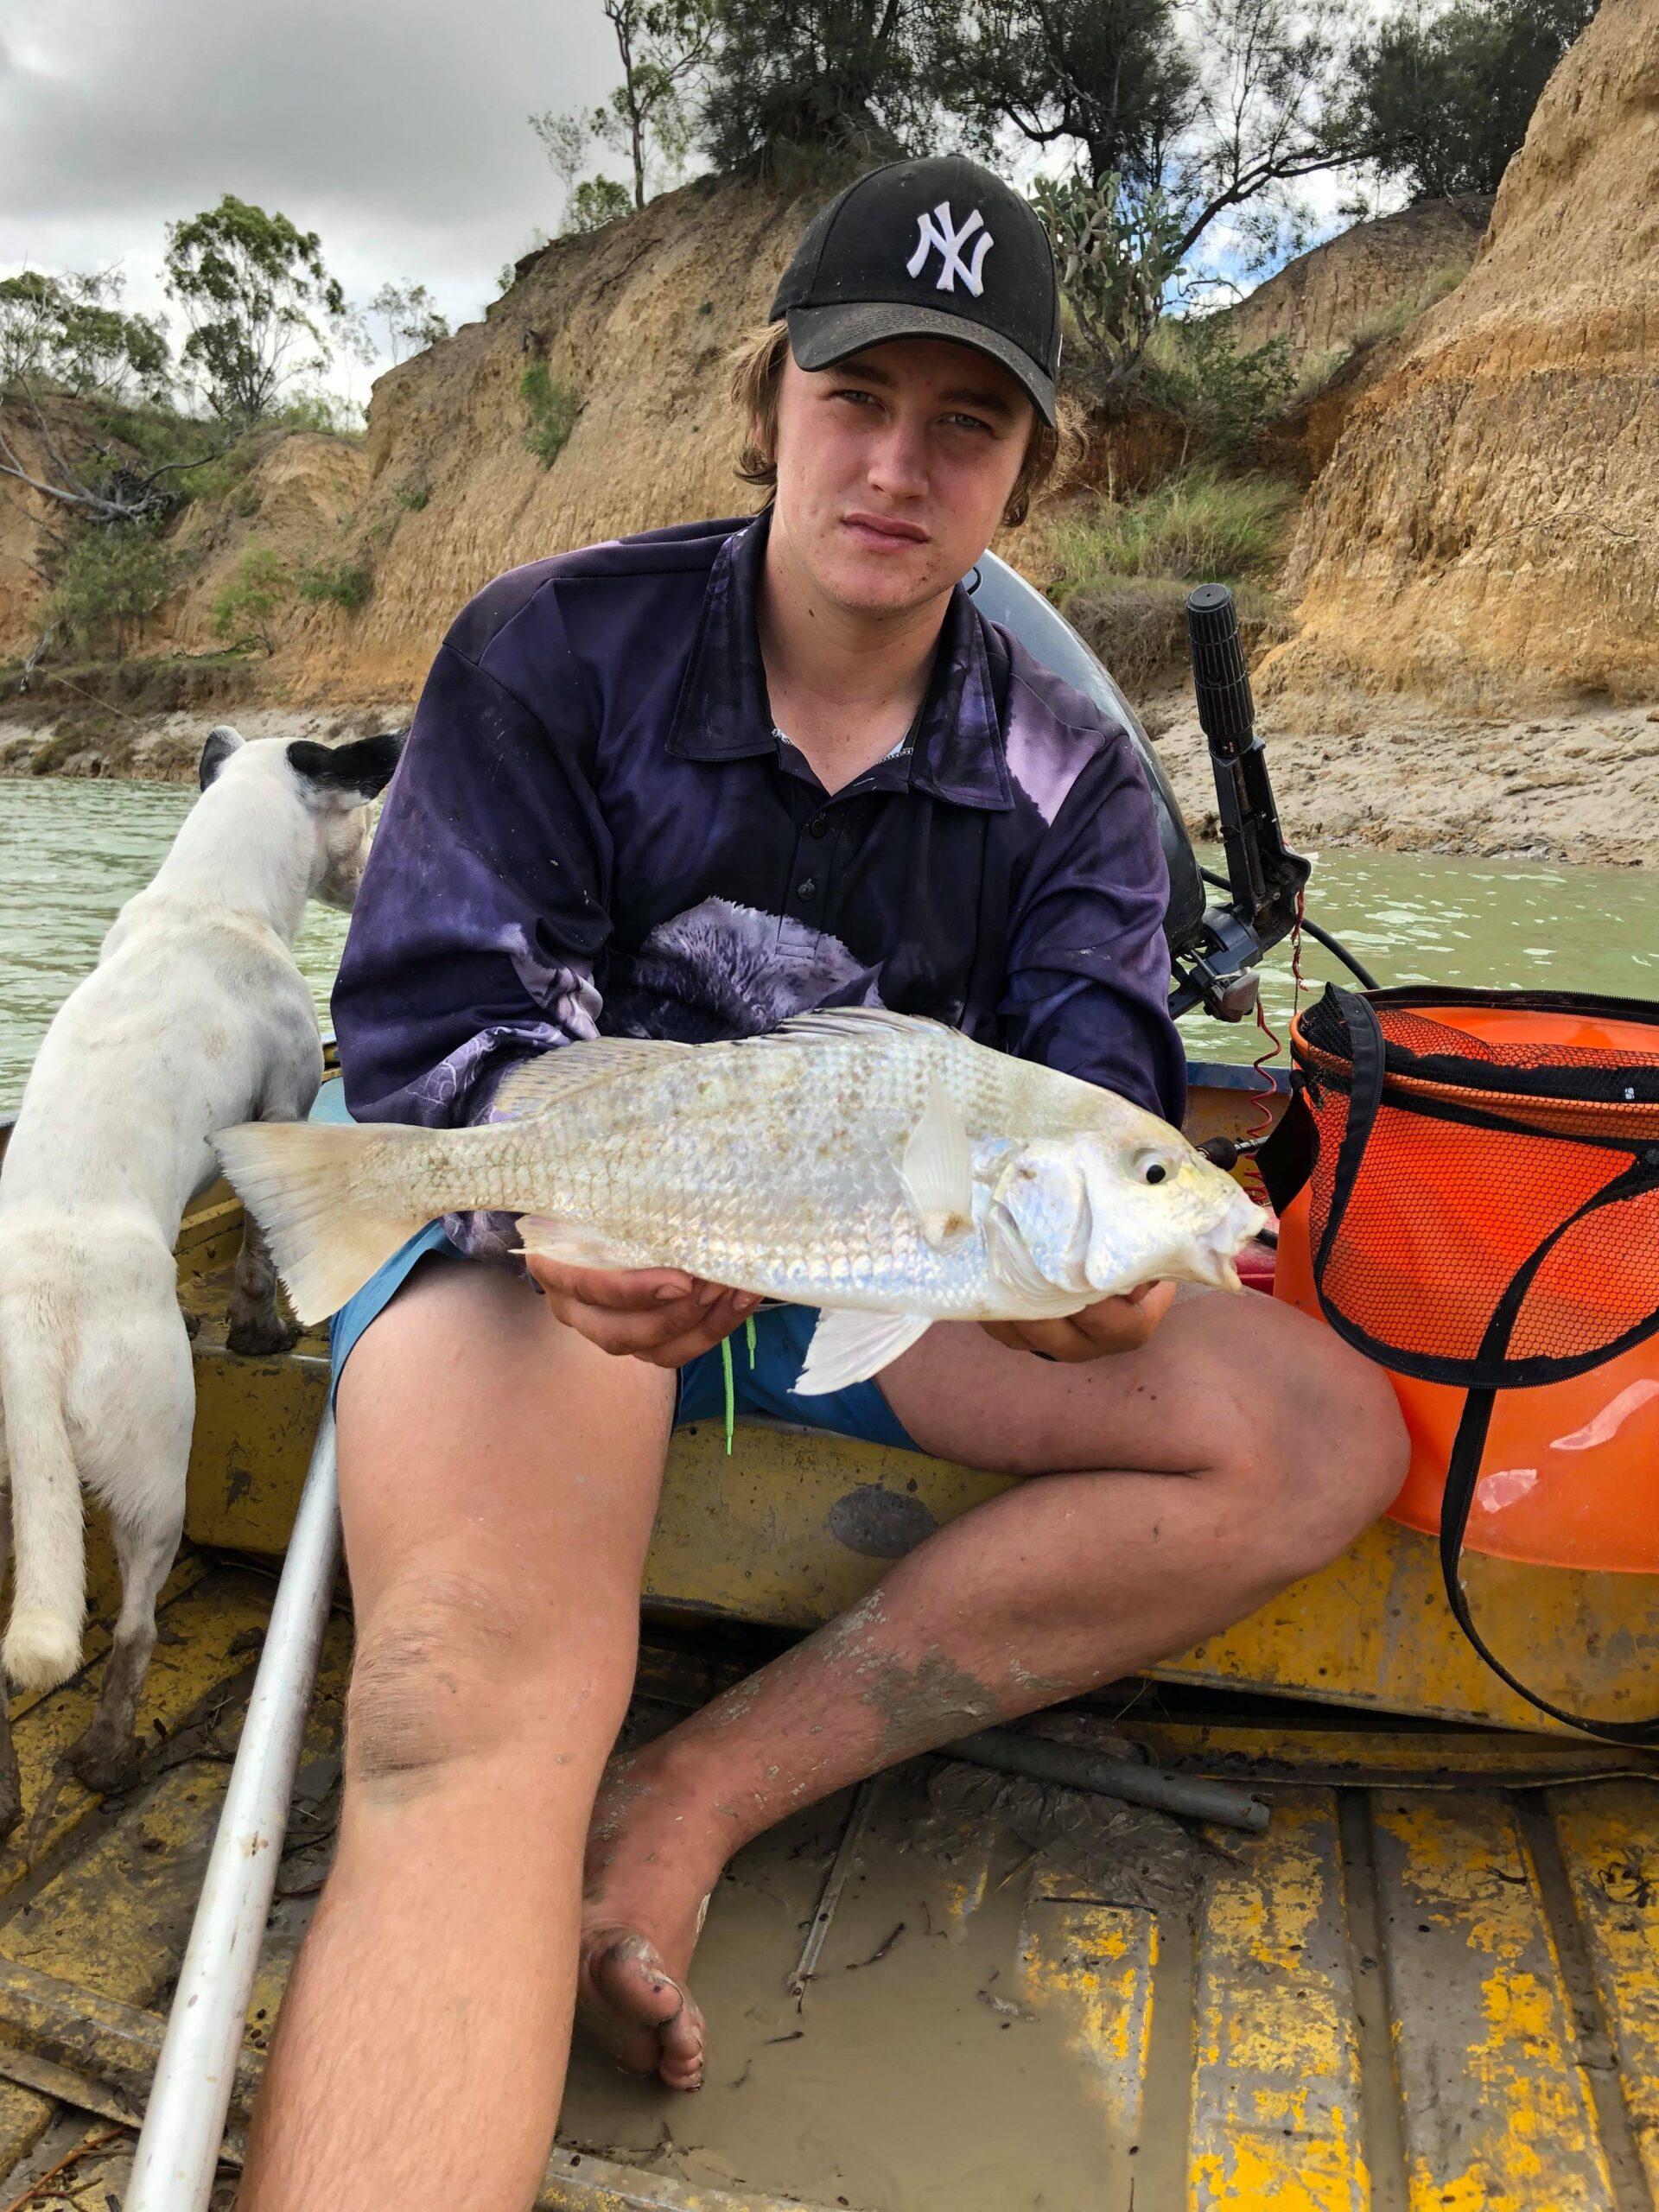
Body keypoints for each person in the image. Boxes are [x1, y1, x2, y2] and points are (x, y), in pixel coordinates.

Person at [240, 154, 1407, 2209]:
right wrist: (560, 1224)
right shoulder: (547, 650)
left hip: (890, 1260)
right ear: (768, 396)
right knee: (468, 1706)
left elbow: (1094, 1090)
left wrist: (1110, 1279)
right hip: (559, 1251)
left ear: (1030, 468)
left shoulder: (1074, 776)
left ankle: (694, 1793)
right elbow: (434, 1031)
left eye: (968, 421)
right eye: (857, 395)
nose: (897, 463)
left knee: (1319, 1430)